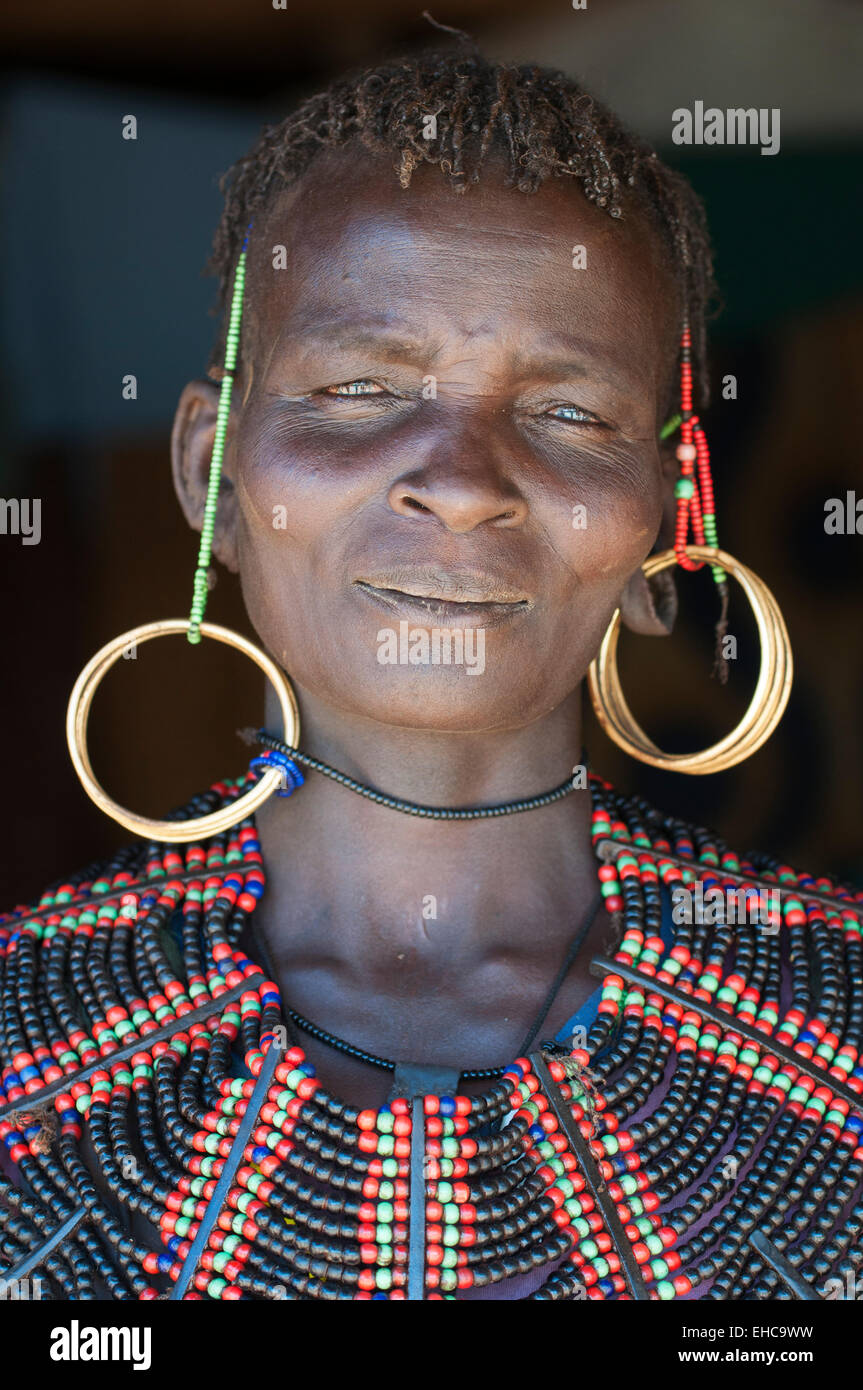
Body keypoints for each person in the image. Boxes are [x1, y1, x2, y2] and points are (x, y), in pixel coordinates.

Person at [1, 47, 860, 1304]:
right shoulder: (28, 1047)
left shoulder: (830, 1033)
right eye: (357, 389)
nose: (458, 479)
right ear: (211, 479)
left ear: (669, 513)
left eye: (567, 413)